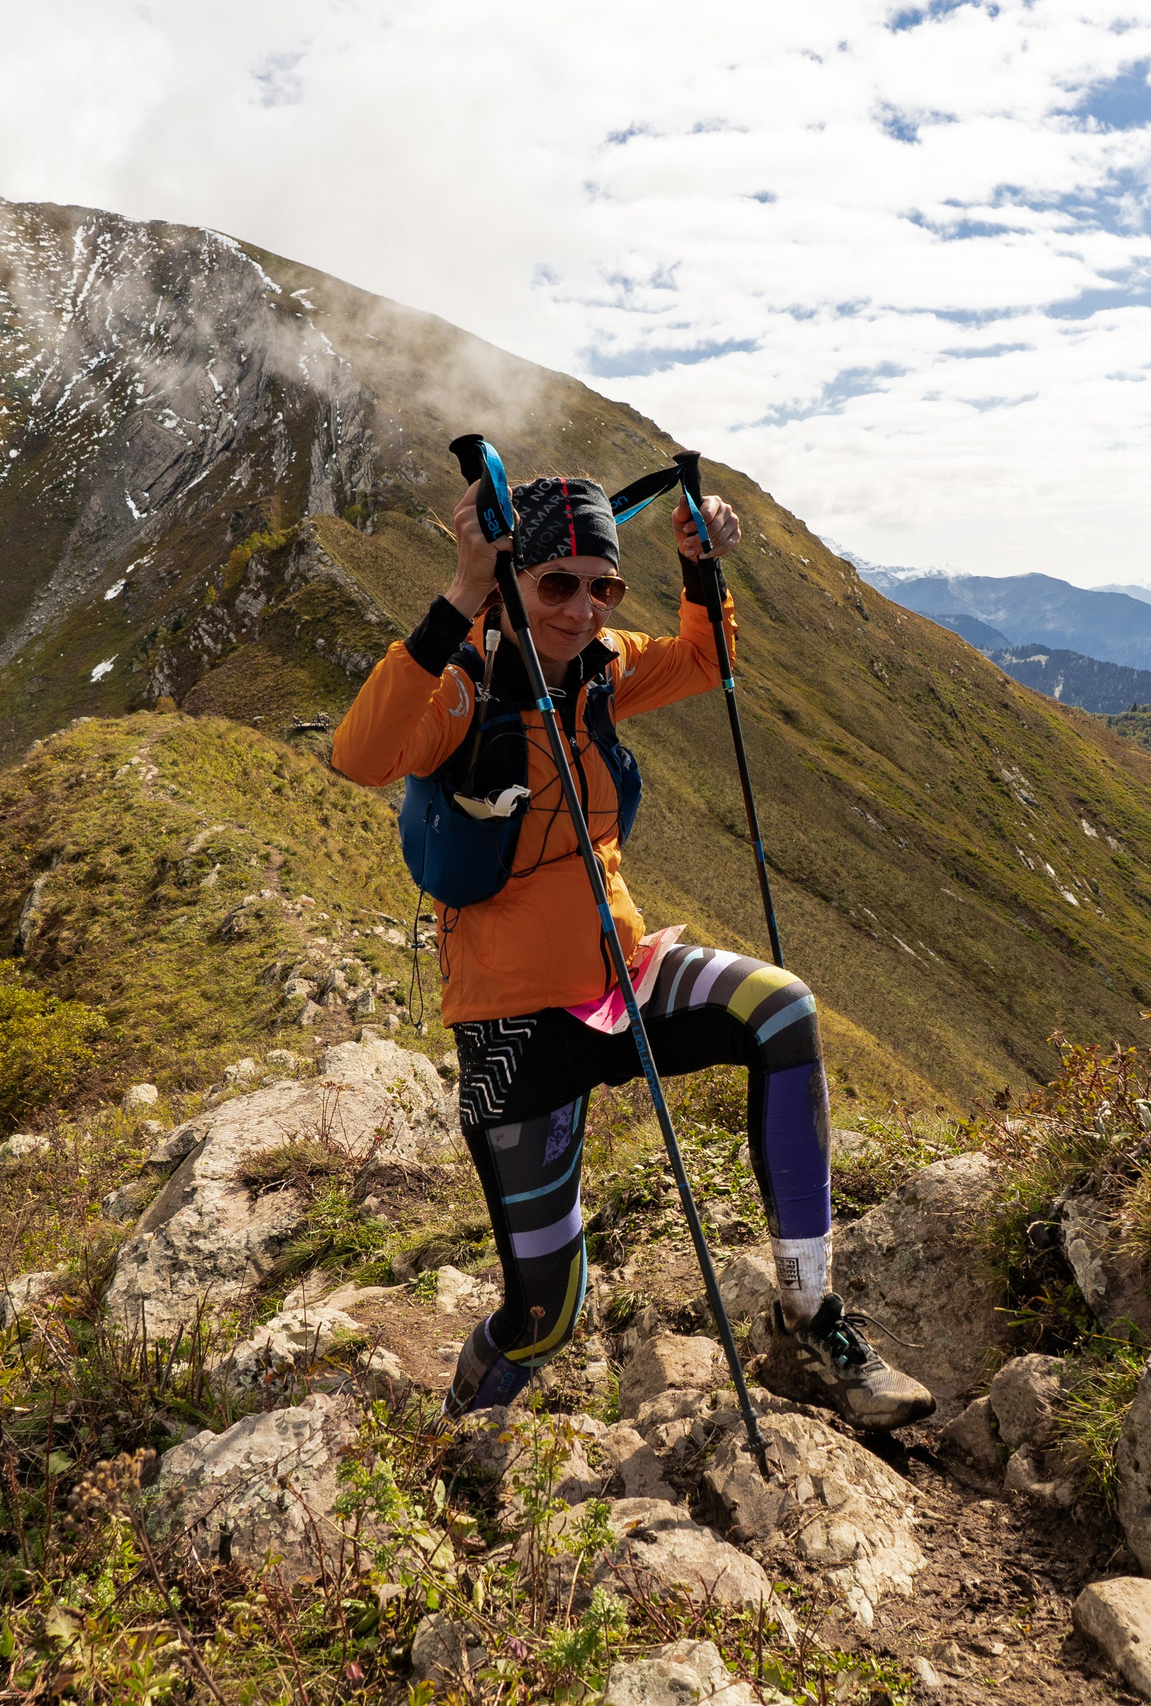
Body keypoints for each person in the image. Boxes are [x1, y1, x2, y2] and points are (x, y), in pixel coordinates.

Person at [331, 471, 934, 1431]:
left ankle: (812, 1312)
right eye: (556, 584)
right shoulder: (464, 687)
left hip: (623, 983)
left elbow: (704, 660)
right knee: (544, 1316)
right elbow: (358, 755)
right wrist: (458, 591)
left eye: (601, 586)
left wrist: (699, 570)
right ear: (511, 578)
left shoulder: (604, 668)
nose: (582, 608)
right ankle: (450, 1436)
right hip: (513, 1031)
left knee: (784, 1009)